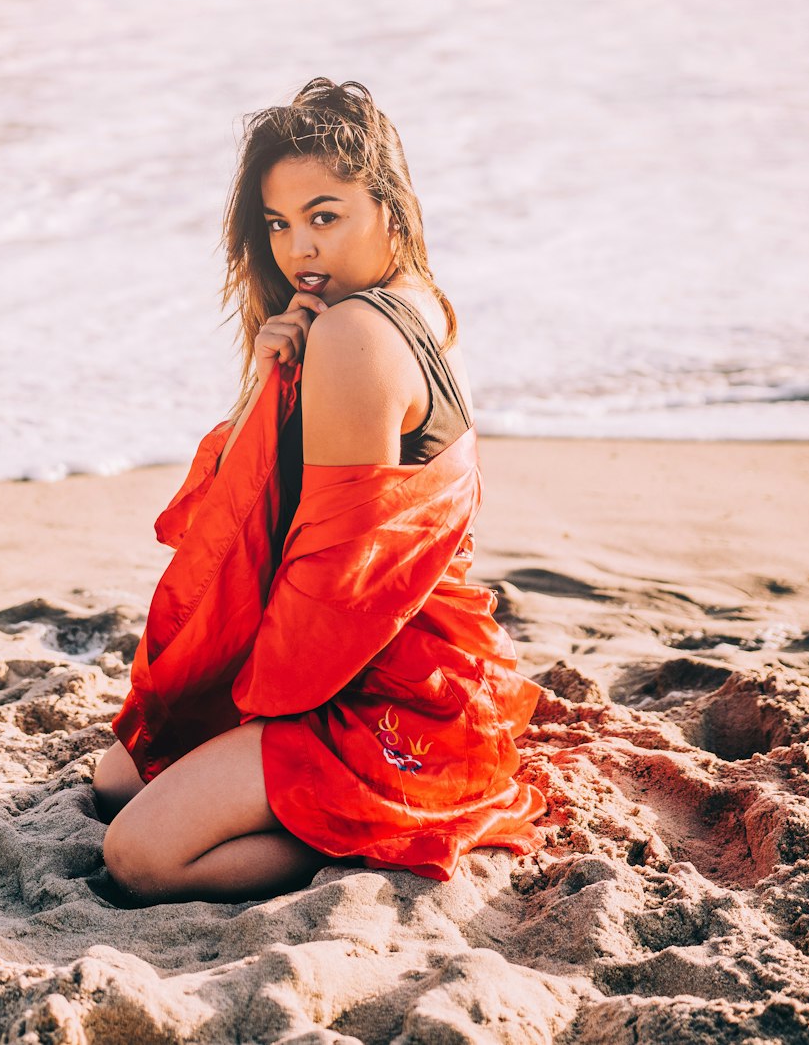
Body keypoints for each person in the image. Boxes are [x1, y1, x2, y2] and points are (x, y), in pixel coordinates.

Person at [93, 77, 547, 902]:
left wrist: (254, 709)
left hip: (385, 684)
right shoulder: (418, 305)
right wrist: (271, 381)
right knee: (118, 778)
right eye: (278, 224)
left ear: (390, 211)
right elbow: (252, 515)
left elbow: (337, 587)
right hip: (402, 650)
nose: (299, 249)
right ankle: (322, 805)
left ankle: (368, 835)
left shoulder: (354, 333)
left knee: (140, 854)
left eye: (325, 216)